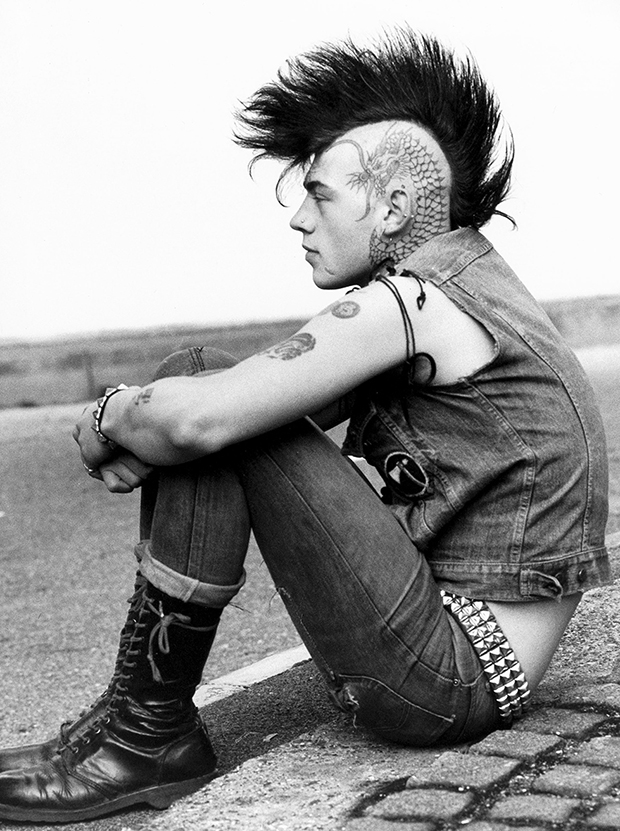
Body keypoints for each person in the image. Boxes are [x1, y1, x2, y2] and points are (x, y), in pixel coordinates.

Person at [0, 27, 609, 824]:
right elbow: (246, 406)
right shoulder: (456, 288)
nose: (298, 217)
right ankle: (135, 723)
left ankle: (144, 728)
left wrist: (115, 413)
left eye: (320, 193)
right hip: (453, 654)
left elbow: (202, 419)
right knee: (209, 391)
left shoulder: (417, 303)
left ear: (391, 207)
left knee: (199, 388)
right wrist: (160, 424)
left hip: (453, 674)